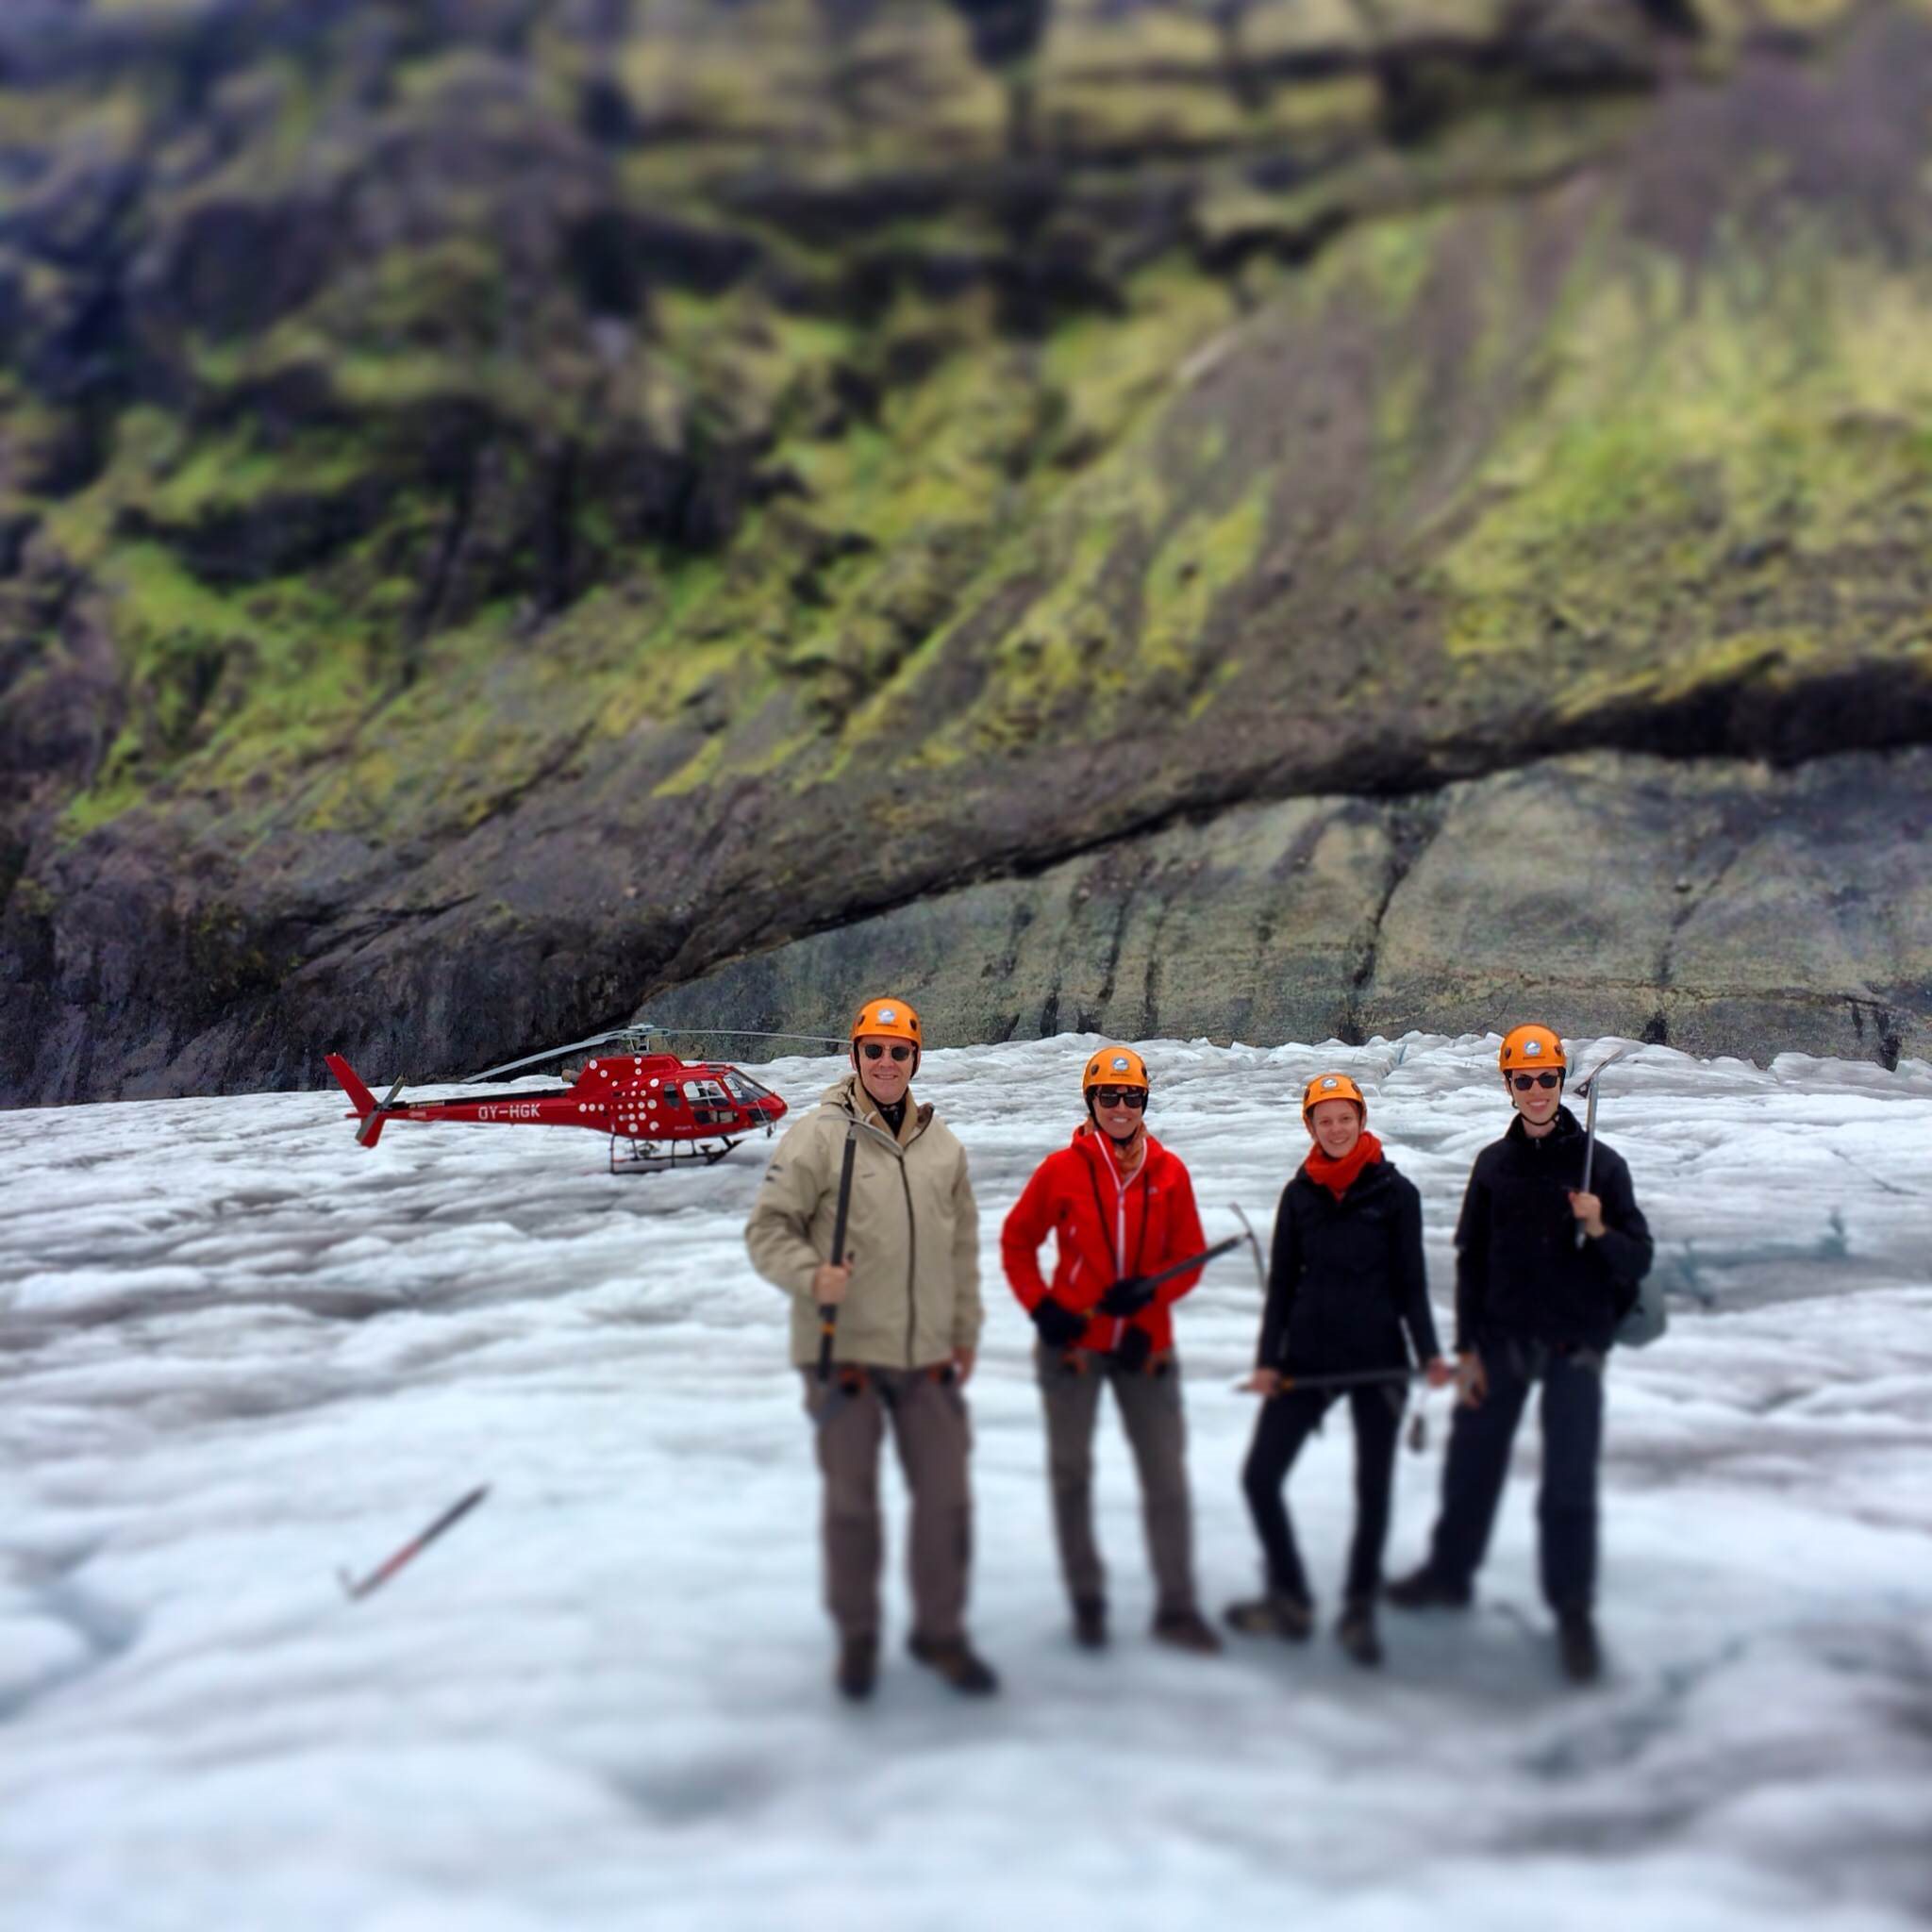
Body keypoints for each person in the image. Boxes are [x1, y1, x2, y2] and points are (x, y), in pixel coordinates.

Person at [745, 996, 995, 1701]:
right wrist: (809, 1276)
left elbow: (964, 1247)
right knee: (853, 1509)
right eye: (874, 1050)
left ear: (916, 1059)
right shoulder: (816, 1138)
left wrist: (965, 1334)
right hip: (844, 1352)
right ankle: (858, 1640)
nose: (887, 1063)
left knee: (946, 1503)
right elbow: (769, 1229)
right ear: (854, 1056)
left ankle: (940, 1634)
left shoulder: (944, 1146)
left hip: (925, 1355)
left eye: (900, 1051)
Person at [1386, 1025, 1655, 1684]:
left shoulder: (1603, 1167)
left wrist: (1597, 1226)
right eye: (1524, 1080)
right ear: (1507, 1087)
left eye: (1547, 1079)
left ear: (1562, 1083)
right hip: (1502, 1340)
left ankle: (1572, 1614)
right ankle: (1449, 1576)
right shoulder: (1493, 1166)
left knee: (1567, 1486)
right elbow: (1471, 1259)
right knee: (1471, 1467)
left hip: (1574, 1344)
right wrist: (1469, 1348)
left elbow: (1636, 1260)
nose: (1537, 1091)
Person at [1224, 1074, 1451, 1667]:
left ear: (1361, 1119)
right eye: (1323, 1119)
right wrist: (1268, 1363)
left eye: (1344, 1117)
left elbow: (1412, 1284)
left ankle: (1358, 1610)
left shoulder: (1396, 1193)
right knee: (1259, 1478)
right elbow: (1281, 1288)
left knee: (1372, 1489)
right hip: (1308, 1360)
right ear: (1310, 1126)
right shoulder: (1299, 1194)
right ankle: (1291, 1599)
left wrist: (1428, 1354)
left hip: (1378, 1361)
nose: (1336, 1128)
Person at [1001, 1047, 1222, 1656]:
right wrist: (1042, 1308)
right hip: (1073, 1345)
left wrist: (1146, 1310)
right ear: (1090, 1103)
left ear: (1144, 1103)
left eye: (1132, 1098)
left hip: (1146, 1348)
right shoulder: (1059, 1172)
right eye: (1109, 1097)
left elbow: (1188, 1256)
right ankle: (1087, 1602)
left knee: (1166, 1481)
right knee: (1072, 1474)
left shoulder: (1170, 1172)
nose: (1121, 1108)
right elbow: (1018, 1241)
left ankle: (1176, 1608)